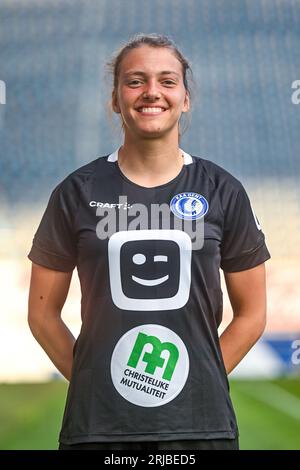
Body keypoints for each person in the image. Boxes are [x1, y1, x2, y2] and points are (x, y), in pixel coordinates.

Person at [27, 33, 270, 451]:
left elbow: (253, 313)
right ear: (115, 99)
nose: (151, 92)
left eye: (167, 81)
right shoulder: (75, 192)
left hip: (201, 429)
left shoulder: (222, 190)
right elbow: (42, 315)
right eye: (135, 81)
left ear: (185, 98)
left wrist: (197, 382)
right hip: (98, 430)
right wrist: (97, 384)